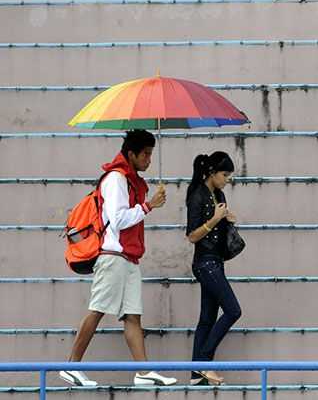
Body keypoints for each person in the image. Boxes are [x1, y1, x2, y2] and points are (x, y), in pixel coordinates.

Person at [60, 130, 177, 387]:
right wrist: (149, 206)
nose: (148, 159)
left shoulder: (129, 179)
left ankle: (143, 372)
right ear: (131, 154)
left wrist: (147, 204)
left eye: (151, 154)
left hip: (129, 258)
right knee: (98, 309)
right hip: (113, 256)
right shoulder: (116, 179)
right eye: (145, 154)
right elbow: (118, 220)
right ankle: (71, 366)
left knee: (133, 316)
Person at [185, 151, 242, 385]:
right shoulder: (197, 196)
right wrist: (215, 220)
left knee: (207, 319)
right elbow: (191, 236)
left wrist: (228, 220)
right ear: (211, 172)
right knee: (233, 311)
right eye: (225, 174)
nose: (227, 179)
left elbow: (220, 229)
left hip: (216, 262)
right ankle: (204, 363)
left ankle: (195, 376)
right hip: (204, 263)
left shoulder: (219, 194)